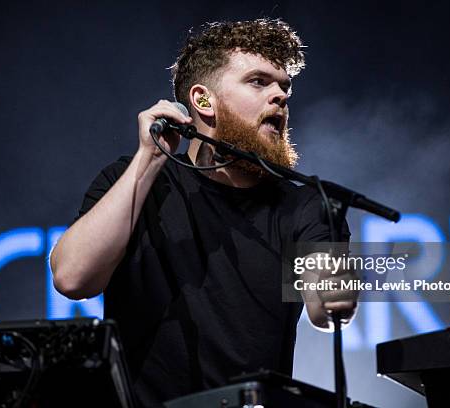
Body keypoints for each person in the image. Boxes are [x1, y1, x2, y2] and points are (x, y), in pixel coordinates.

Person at [50, 18, 356, 407]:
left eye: (285, 87)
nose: (280, 96)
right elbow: (73, 278)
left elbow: (327, 310)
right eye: (259, 82)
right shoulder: (136, 180)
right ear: (203, 100)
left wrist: (335, 287)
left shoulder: (305, 206)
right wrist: (149, 157)